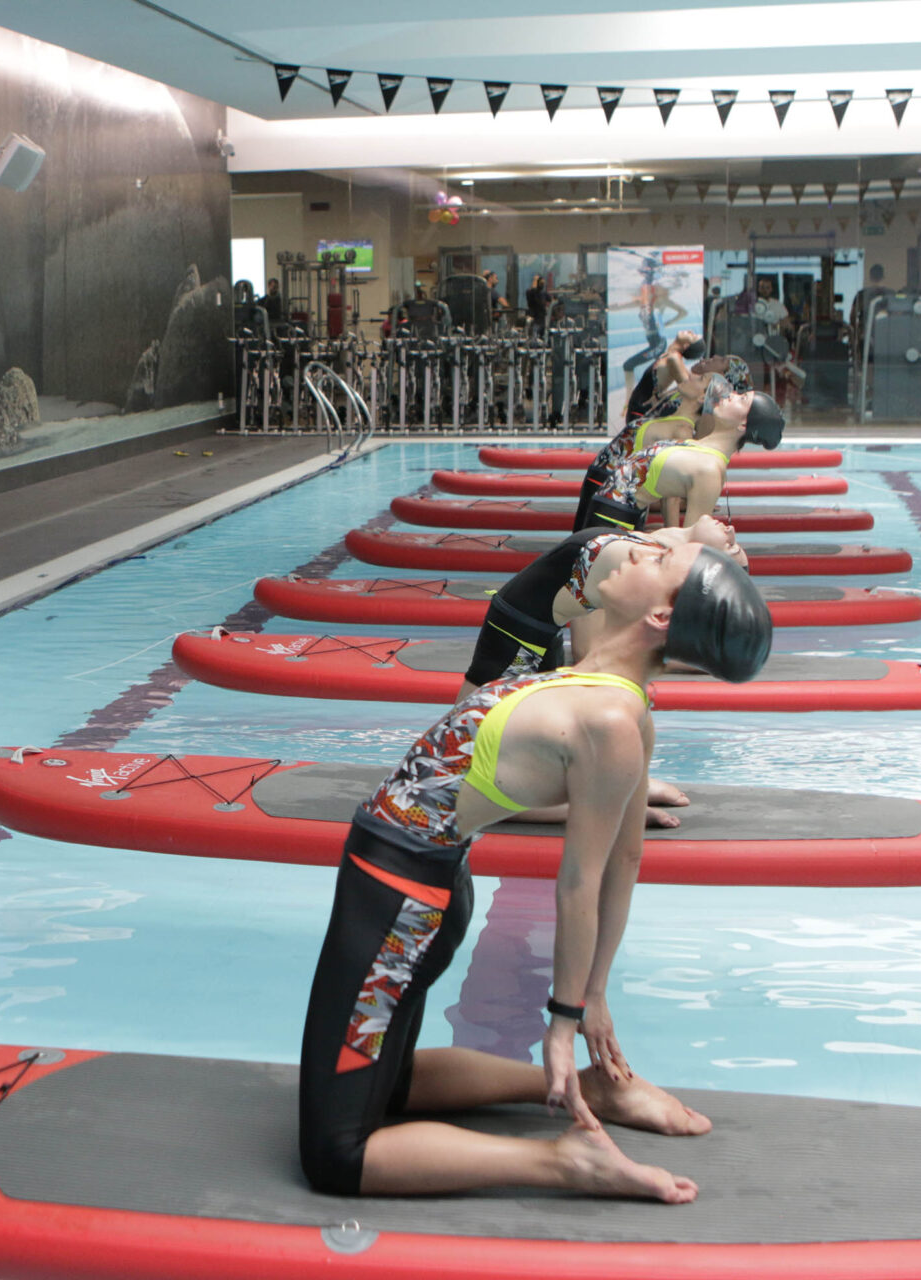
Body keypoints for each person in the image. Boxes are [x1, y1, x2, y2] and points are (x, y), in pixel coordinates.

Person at [298, 543, 771, 1200]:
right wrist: (593, 996)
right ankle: (597, 1090)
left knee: (336, 1154)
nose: (637, 552)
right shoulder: (600, 683)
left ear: (662, 616)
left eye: (659, 559)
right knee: (388, 1080)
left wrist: (568, 1015)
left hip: (397, 906)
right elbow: (626, 859)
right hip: (406, 892)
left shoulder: (613, 719)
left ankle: (565, 1162)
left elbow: (592, 875)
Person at [459, 519, 749, 829]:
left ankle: (594, 803)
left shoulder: (641, 569)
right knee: (502, 753)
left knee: (465, 772)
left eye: (730, 546)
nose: (730, 529)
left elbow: (616, 647)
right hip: (535, 630)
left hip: (520, 637)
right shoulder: (656, 547)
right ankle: (616, 790)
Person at [585, 390, 787, 531]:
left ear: (743, 424)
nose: (731, 394)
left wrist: (651, 538)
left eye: (741, 399)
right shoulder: (698, 446)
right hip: (607, 518)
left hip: (611, 523)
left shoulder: (710, 470)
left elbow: (692, 543)